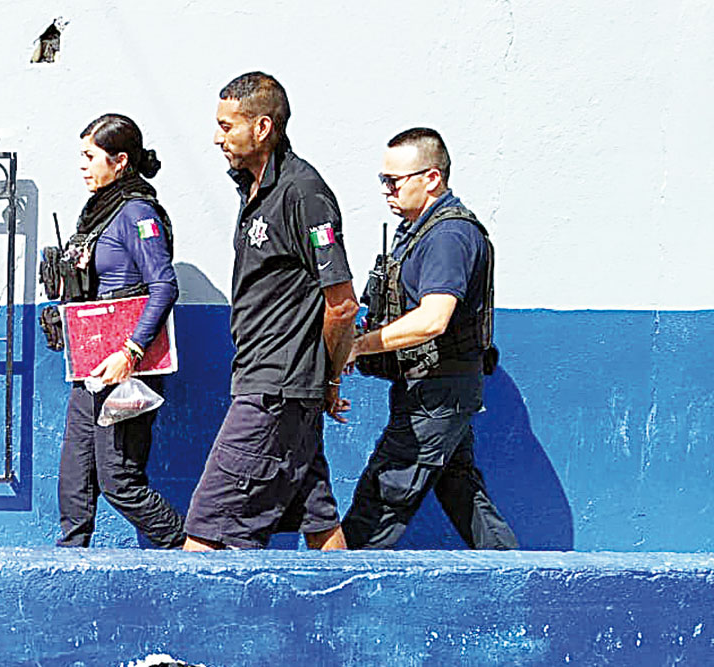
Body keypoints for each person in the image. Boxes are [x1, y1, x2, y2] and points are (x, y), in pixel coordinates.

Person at [182, 72, 359, 551]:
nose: (217, 137)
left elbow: (341, 304)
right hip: (276, 386)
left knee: (206, 533)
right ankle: (342, 624)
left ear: (262, 128)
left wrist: (329, 377)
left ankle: (208, 628)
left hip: (274, 391)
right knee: (319, 524)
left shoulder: (303, 193)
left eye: (226, 126)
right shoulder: (255, 190)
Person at [341, 127, 518, 550]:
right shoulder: (420, 230)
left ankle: (335, 591)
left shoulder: (447, 236)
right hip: (433, 387)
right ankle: (518, 580)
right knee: (461, 491)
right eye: (382, 180)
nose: (386, 190)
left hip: (437, 391)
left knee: (384, 496)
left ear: (432, 178)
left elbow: (433, 319)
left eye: (394, 181)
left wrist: (359, 345)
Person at [55, 114, 185, 548]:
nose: (82, 165)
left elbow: (164, 286)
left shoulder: (136, 213)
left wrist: (130, 351)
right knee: (75, 474)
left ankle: (187, 548)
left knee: (119, 479)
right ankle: (70, 558)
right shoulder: (99, 214)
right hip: (90, 362)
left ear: (120, 161)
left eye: (90, 156)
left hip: (126, 367)